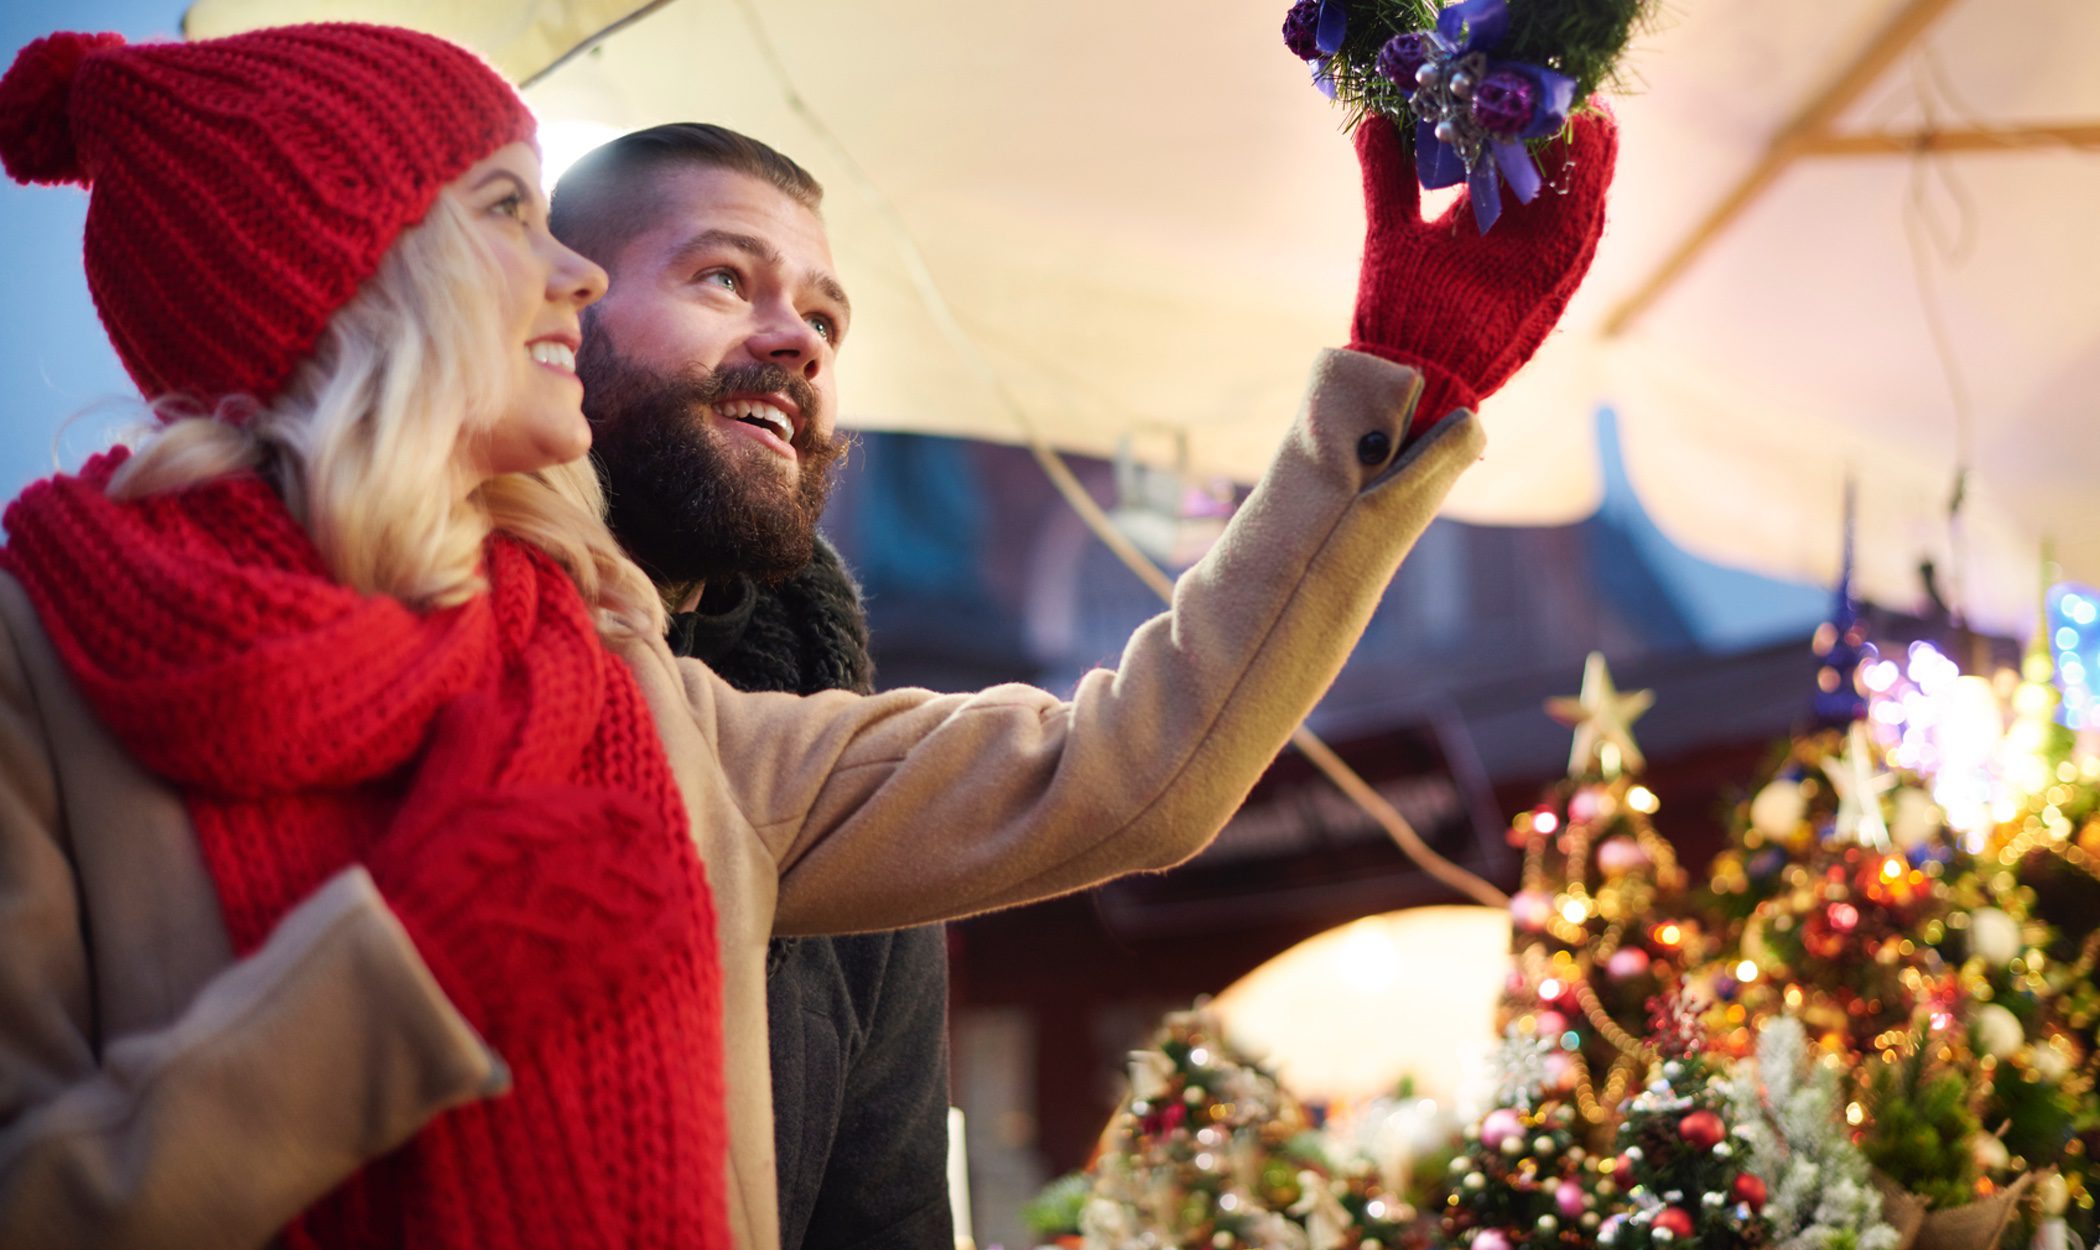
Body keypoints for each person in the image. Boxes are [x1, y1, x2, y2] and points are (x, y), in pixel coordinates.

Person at [0, 21, 1611, 1250]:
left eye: (825, 316)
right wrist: (403, 986)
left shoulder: (643, 696)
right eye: (508, 208)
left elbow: (1125, 771)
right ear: (356, 264)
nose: (558, 265)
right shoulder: (41, 668)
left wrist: (1404, 384)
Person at [554, 126, 954, 1250]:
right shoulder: (413, 642)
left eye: (825, 320)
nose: (799, 344)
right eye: (724, 277)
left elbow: (889, 1217)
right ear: (556, 316)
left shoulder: (840, 771)